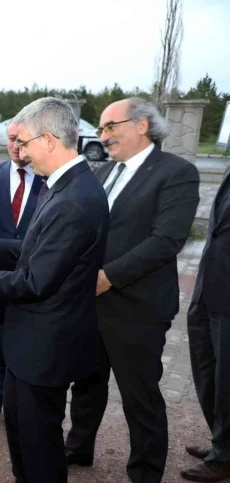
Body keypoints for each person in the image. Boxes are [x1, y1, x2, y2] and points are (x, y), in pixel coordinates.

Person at [0, 97, 109, 483]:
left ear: (49, 140)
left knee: (39, 450)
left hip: (45, 349)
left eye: (26, 143)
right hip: (30, 346)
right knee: (21, 435)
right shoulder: (64, 185)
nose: (21, 153)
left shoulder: (74, 199)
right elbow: (43, 248)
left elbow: (35, 280)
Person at [65, 98, 200, 483]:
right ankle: (78, 448)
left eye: (111, 127)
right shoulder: (107, 170)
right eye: (102, 129)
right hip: (92, 304)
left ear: (142, 125)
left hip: (137, 309)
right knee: (87, 384)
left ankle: (145, 471)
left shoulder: (177, 172)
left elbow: (166, 241)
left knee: (139, 397)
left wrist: (107, 277)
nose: (103, 136)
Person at [0, 121, 47, 426]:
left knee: (30, 344)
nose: (17, 146)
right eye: (12, 139)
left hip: (35, 278)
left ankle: (24, 403)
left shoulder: (49, 180)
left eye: (22, 140)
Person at [183, 168, 230, 482]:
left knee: (227, 381)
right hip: (209, 286)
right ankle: (222, 440)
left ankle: (225, 457)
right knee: (207, 370)